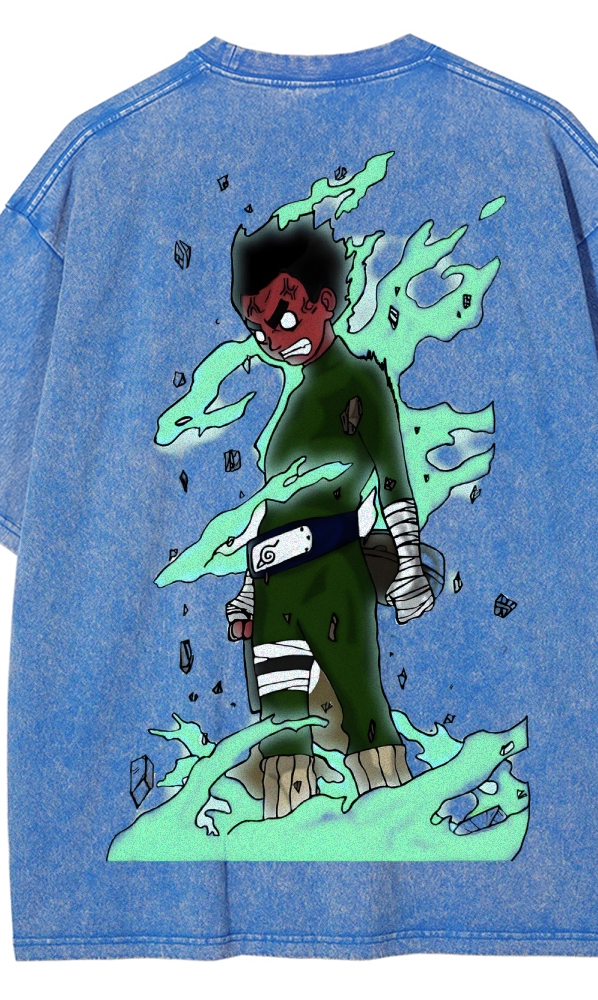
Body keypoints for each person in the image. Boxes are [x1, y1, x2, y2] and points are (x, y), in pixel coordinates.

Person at [224, 213, 435, 818]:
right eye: (259, 327)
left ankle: (399, 832)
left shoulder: (360, 381)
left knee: (365, 713)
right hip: (274, 589)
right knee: (283, 729)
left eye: (285, 317)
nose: (273, 338)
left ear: (326, 303)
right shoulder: (291, 407)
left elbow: (392, 477)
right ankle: (284, 838)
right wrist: (248, 590)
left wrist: (409, 564)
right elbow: (273, 507)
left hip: (334, 574)